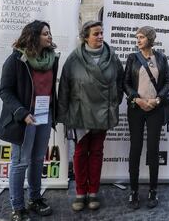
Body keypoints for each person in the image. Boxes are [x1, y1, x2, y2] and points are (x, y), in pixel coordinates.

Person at [58, 21, 124, 212]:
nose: (100, 36)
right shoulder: (74, 59)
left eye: (101, 33)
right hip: (80, 114)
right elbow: (64, 88)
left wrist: (113, 102)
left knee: (96, 152)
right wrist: (63, 115)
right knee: (79, 154)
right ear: (85, 37)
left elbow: (120, 81)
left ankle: (93, 191)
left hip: (102, 112)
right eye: (96, 33)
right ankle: (80, 193)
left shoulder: (112, 57)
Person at [0, 21, 59, 221]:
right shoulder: (16, 59)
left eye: (49, 33)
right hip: (25, 117)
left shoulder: (52, 58)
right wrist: (22, 112)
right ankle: (18, 206)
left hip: (44, 114)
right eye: (45, 34)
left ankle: (34, 198)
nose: (49, 37)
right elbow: (5, 91)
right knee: (20, 162)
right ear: (33, 36)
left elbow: (51, 89)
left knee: (38, 159)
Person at [124, 26, 169, 209]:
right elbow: (125, 82)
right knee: (135, 149)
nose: (138, 40)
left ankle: (153, 190)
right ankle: (134, 191)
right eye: (137, 37)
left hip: (155, 109)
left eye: (142, 37)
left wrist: (158, 99)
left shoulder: (160, 58)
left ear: (150, 39)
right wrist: (136, 99)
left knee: (153, 149)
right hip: (136, 108)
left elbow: (168, 81)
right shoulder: (132, 58)